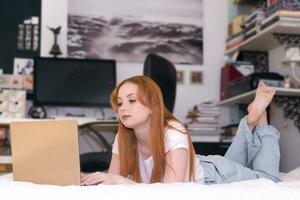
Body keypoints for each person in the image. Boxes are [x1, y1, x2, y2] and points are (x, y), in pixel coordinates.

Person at [81, 76, 280, 185]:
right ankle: (250, 121)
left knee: (269, 181)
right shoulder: (122, 136)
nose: (123, 107)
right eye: (119, 103)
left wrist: (118, 181)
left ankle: (260, 120)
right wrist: (95, 178)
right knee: (236, 163)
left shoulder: (173, 131)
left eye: (132, 100)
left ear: (152, 106)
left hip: (212, 174)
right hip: (196, 163)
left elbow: (171, 193)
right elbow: (114, 182)